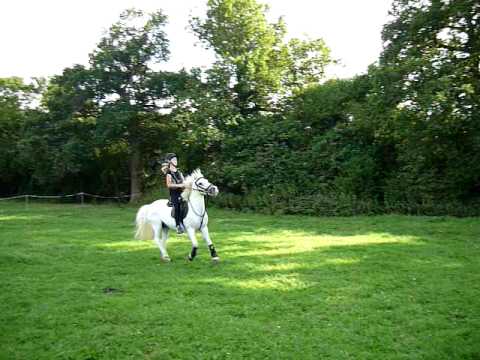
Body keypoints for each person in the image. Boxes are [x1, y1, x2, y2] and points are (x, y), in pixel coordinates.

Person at [162, 153, 188, 234]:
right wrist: (180, 185)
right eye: (174, 160)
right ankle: (178, 225)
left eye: (176, 159)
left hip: (182, 193)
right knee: (177, 207)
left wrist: (187, 185)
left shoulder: (179, 172)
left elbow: (184, 182)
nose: (176, 161)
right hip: (174, 194)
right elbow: (169, 185)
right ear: (170, 161)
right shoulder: (169, 173)